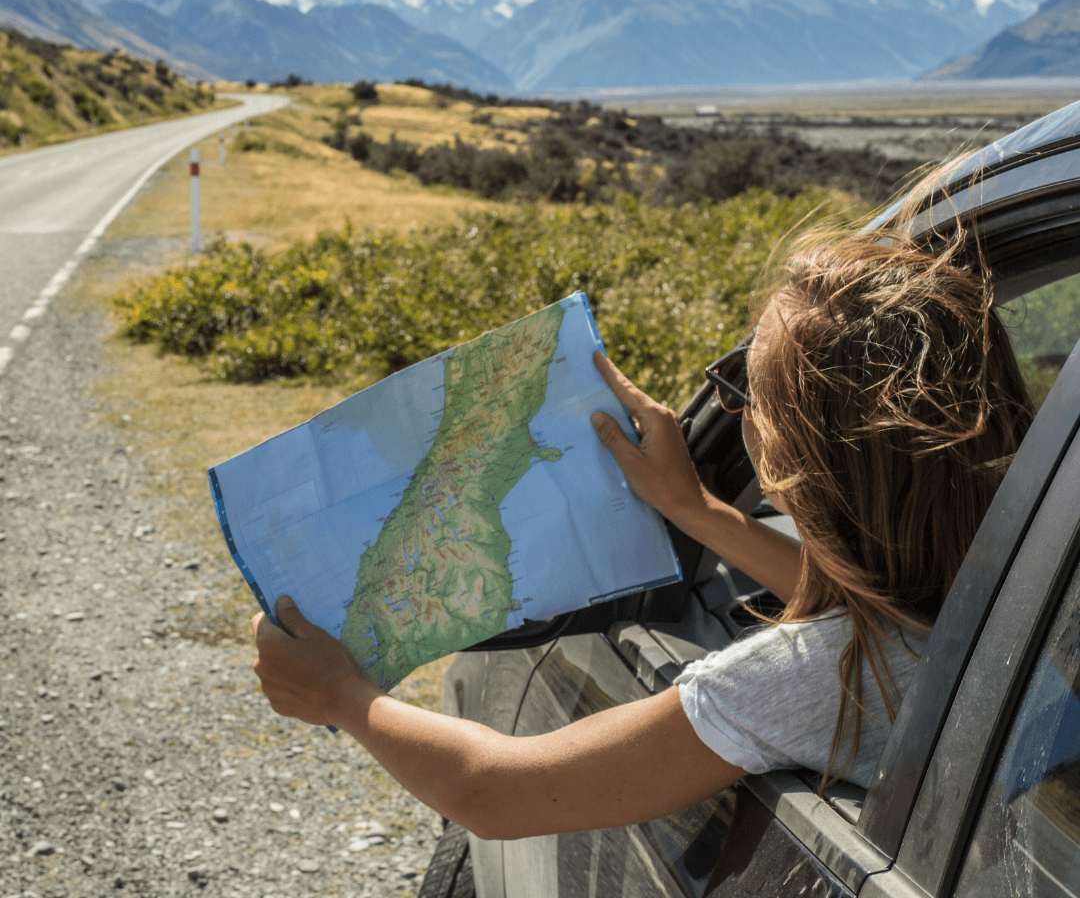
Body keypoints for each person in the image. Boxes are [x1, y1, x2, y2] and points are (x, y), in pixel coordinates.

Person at [249, 212, 1033, 841]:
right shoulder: (1024, 578)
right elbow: (891, 607)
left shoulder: (815, 679)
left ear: (795, 458)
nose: (734, 412)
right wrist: (694, 509)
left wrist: (343, 698)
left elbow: (494, 794)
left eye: (743, 392)